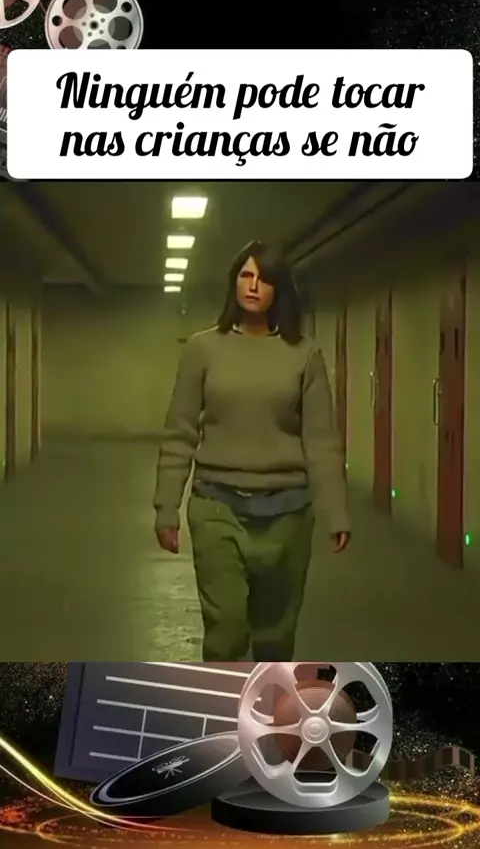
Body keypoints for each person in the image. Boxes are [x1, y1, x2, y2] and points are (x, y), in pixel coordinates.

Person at [153, 240, 350, 661]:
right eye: (246, 275)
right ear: (234, 284)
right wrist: (166, 507)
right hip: (217, 507)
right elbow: (180, 432)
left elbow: (321, 439)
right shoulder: (203, 348)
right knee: (225, 631)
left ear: (280, 289)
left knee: (275, 640)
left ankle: (267, 702)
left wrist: (336, 511)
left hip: (288, 514)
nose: (253, 285)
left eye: (264, 278)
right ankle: (221, 698)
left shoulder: (305, 354)